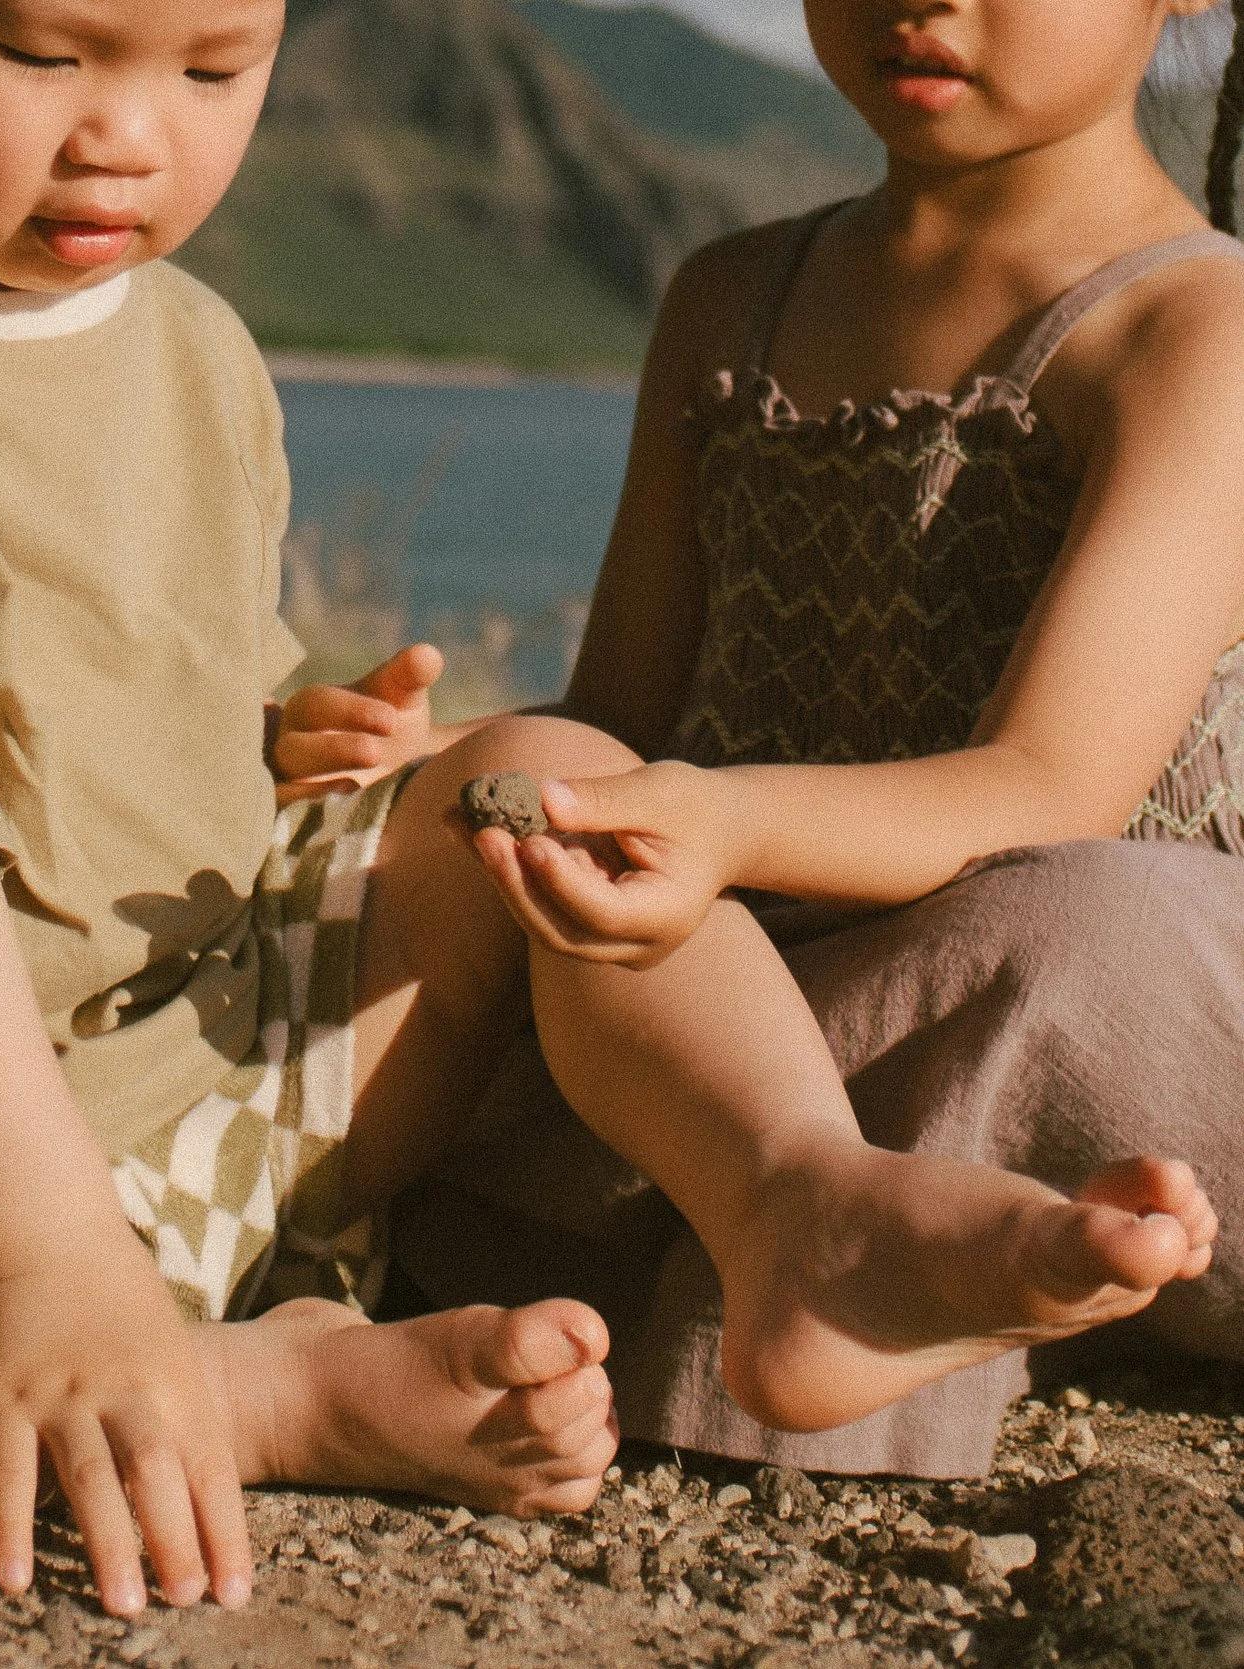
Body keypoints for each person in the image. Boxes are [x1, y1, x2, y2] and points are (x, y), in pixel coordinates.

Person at [0, 0, 1212, 1616]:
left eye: (218, 69)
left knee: (539, 790)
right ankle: (268, 1397)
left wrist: (297, 733)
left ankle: (797, 1206)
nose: (127, 139)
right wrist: (51, 1254)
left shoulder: (191, 343)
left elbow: (173, 692)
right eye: (47, 51)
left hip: (212, 1069)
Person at [284, 0, 1244, 1478]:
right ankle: (826, 1232)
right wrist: (430, 749)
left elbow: (1051, 786)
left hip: (1082, 1002)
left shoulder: (1199, 327)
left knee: (1077, 923)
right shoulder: (732, 295)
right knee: (535, 820)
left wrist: (714, 823)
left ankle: (830, 1278)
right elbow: (628, 714)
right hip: (772, 994)